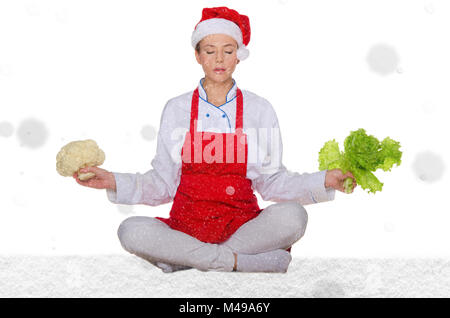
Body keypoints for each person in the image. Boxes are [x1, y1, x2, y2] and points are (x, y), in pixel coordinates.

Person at [73, 6, 356, 273]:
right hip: (185, 227)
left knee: (294, 216)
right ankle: (241, 263)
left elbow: (272, 182)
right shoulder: (177, 108)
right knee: (130, 229)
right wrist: (112, 180)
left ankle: (187, 260)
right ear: (197, 55)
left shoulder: (260, 109)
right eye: (210, 51)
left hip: (242, 227)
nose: (219, 59)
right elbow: (162, 183)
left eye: (228, 50)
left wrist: (323, 181)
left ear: (238, 55)